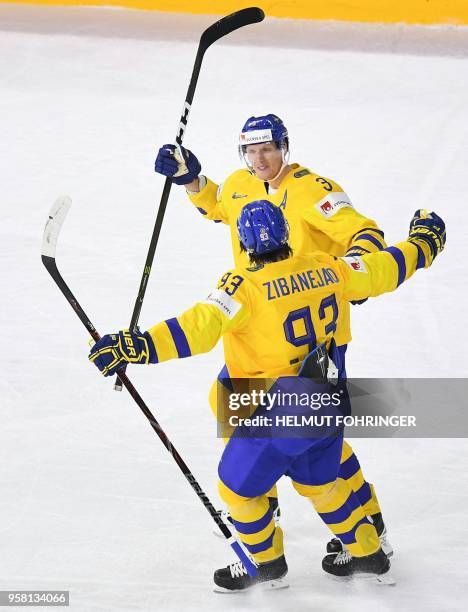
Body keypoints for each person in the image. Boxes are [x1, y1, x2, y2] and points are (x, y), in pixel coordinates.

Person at [88, 201, 445, 591]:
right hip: (326, 400)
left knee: (236, 490)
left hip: (279, 411)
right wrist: (423, 243)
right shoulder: (327, 267)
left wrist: (139, 346)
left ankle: (265, 563)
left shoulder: (243, 286)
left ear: (243, 242)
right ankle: (368, 552)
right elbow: (383, 269)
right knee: (321, 484)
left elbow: (198, 328)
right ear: (287, 234)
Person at [154, 114, 391, 556]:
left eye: (267, 149)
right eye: (251, 151)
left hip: (309, 340)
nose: (259, 159)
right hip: (258, 327)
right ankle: (264, 504)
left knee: (311, 429)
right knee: (234, 405)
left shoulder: (315, 191)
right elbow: (219, 206)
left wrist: (350, 278)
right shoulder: (241, 184)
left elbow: (366, 234)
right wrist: (192, 180)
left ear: (285, 147)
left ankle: (366, 514)